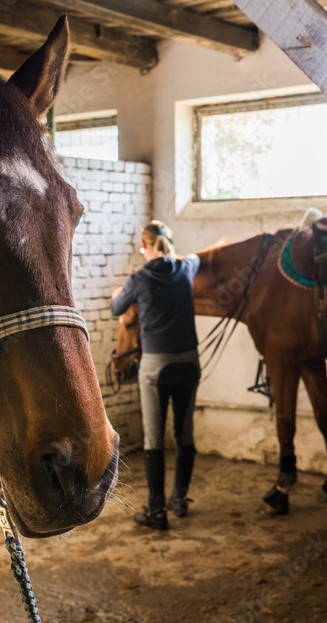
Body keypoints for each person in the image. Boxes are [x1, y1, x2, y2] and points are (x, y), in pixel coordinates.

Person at [110, 221, 201, 531]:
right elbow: (198, 258)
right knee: (185, 434)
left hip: (156, 367)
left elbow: (116, 308)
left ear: (144, 246)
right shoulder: (186, 267)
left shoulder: (139, 277)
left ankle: (157, 510)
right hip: (189, 363)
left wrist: (118, 293)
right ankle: (180, 500)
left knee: (153, 439)